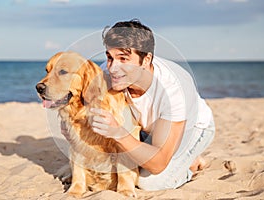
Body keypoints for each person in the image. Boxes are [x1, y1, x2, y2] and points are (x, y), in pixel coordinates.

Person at [90, 19, 215, 191]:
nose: (113, 68)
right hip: (145, 129)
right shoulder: (108, 73)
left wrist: (118, 133)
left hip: (193, 128)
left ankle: (191, 165)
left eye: (124, 59)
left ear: (146, 59)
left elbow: (158, 164)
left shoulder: (173, 90)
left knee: (149, 182)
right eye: (110, 57)